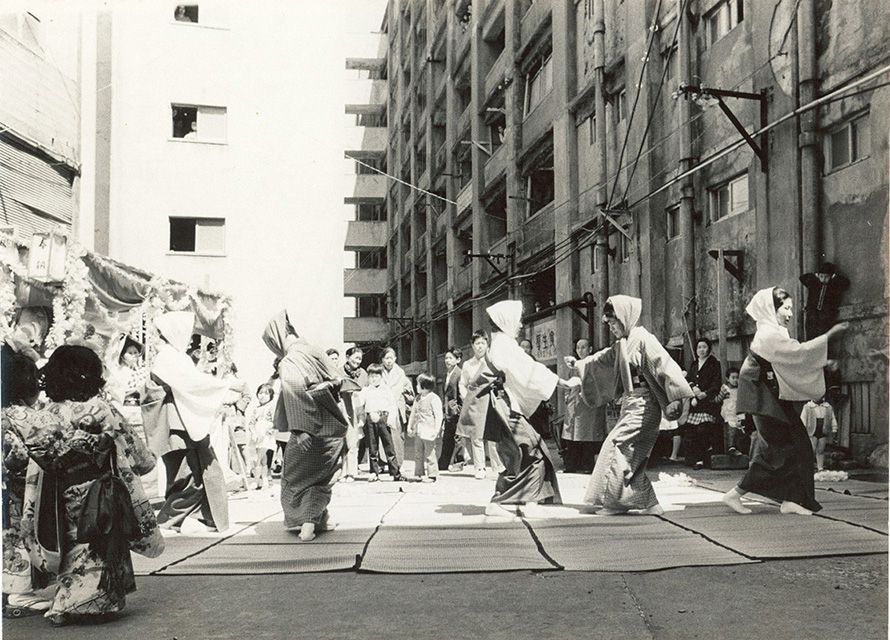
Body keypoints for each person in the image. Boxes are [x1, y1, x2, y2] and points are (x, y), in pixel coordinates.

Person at [12, 345, 163, 627]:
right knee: (97, 543)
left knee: (71, 545)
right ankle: (79, 603)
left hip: (59, 494)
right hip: (99, 490)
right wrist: (145, 461)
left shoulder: (47, 413)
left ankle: (64, 600)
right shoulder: (102, 410)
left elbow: (32, 456)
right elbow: (137, 454)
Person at [722, 287, 848, 516]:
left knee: (796, 446)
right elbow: (798, 353)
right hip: (761, 394)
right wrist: (829, 336)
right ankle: (737, 493)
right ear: (772, 309)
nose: (790, 313)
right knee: (779, 450)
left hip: (770, 393)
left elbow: (792, 359)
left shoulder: (775, 332)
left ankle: (791, 500)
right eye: (786, 308)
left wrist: (824, 362)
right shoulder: (768, 334)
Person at [573, 295, 694, 516]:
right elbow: (603, 359)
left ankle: (615, 503)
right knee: (632, 456)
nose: (611, 328)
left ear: (625, 317)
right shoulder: (623, 343)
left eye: (613, 323)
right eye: (609, 324)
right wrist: (580, 365)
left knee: (616, 446)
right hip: (631, 403)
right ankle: (650, 504)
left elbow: (664, 364)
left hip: (644, 403)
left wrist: (675, 397)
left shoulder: (643, 338)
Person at [481, 301, 579, 517]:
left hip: (502, 404)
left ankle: (529, 500)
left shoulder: (501, 343)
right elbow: (529, 371)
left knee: (519, 453)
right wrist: (562, 383)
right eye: (518, 320)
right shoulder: (504, 345)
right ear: (506, 321)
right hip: (504, 405)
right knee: (532, 450)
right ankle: (500, 501)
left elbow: (526, 370)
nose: (520, 325)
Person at [262, 310, 348, 541]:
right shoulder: (314, 350)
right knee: (323, 476)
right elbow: (339, 379)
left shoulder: (290, 360)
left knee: (297, 479)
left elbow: (294, 392)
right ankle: (323, 520)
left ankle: (307, 523)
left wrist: (300, 430)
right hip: (333, 424)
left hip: (309, 428)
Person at [151, 311, 233, 534]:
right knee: (188, 475)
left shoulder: (176, 357)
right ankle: (169, 520)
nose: (156, 337)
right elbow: (193, 384)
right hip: (177, 423)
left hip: (184, 421)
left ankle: (202, 517)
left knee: (198, 471)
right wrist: (224, 386)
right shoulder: (168, 357)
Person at [1, 353, 54, 619]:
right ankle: (19, 593)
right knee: (16, 537)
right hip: (15, 490)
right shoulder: (23, 415)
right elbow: (24, 454)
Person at [561, 338, 607, 474]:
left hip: (589, 404)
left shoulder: (595, 363)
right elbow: (567, 383)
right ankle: (572, 465)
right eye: (578, 348)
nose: (580, 350)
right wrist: (566, 395)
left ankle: (587, 465)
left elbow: (601, 383)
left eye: (583, 347)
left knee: (588, 435)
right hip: (573, 404)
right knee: (571, 435)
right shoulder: (572, 366)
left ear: (590, 349)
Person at [355, 364, 405, 482]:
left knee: (389, 446)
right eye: (371, 376)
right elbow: (359, 404)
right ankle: (374, 472)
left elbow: (392, 405)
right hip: (370, 419)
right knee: (373, 447)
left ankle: (395, 473)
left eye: (376, 376)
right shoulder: (366, 390)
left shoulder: (386, 390)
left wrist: (391, 420)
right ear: (368, 377)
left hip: (383, 418)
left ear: (381, 377)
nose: (374, 379)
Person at [683, 338, 724, 469]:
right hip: (695, 403)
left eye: (704, 347)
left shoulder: (714, 363)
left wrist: (705, 394)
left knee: (703, 430)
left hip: (708, 403)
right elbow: (689, 379)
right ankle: (696, 458)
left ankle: (704, 459)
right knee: (691, 431)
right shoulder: (694, 364)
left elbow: (716, 383)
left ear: (709, 348)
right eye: (699, 347)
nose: (701, 350)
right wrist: (694, 389)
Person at [380, 347, 413, 473]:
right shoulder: (378, 372)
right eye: (386, 358)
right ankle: (383, 463)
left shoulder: (400, 373)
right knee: (382, 435)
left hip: (397, 408)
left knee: (398, 437)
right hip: (382, 407)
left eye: (391, 358)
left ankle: (399, 463)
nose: (389, 361)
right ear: (382, 359)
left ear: (395, 359)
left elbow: (409, 391)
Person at [407, 374, 443, 482]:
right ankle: (418, 473)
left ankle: (432, 474)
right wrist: (409, 426)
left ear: (424, 386)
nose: (416, 386)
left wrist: (437, 430)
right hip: (418, 430)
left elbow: (439, 416)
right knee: (418, 452)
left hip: (429, 431)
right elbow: (413, 413)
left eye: (418, 384)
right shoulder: (417, 398)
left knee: (430, 453)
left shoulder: (434, 398)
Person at [341, 346, 368, 482]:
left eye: (360, 358)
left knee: (353, 442)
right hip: (343, 409)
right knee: (342, 443)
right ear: (347, 357)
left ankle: (351, 472)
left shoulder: (363, 373)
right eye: (356, 357)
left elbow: (366, 391)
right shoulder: (339, 372)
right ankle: (342, 472)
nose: (358, 361)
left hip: (357, 409)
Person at [245, 383, 276, 490]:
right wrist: (253, 433)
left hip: (266, 437)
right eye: (260, 393)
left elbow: (274, 422)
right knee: (262, 460)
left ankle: (256, 481)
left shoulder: (271, 408)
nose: (262, 395)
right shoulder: (256, 409)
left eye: (266, 393)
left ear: (271, 396)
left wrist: (269, 431)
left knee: (259, 459)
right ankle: (264, 481)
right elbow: (251, 423)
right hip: (256, 437)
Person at [437, 346, 463, 471]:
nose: (447, 361)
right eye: (446, 358)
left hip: (456, 410)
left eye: (451, 358)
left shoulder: (459, 374)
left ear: (458, 360)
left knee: (457, 437)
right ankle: (443, 462)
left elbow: (462, 393)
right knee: (447, 436)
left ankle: (459, 462)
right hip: (448, 410)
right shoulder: (446, 374)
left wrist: (459, 409)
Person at [800, 397, 837, 472]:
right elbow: (803, 419)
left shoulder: (828, 407)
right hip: (812, 431)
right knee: (812, 449)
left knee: (821, 450)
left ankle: (820, 467)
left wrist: (834, 428)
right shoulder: (807, 407)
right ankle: (809, 467)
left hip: (823, 430)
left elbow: (832, 418)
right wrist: (803, 430)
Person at [718, 367, 748, 455]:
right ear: (728, 378)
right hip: (729, 411)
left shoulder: (741, 389)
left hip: (739, 410)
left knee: (740, 428)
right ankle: (731, 447)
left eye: (737, 378)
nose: (735, 380)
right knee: (731, 428)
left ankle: (740, 448)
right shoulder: (725, 388)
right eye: (733, 378)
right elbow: (719, 399)